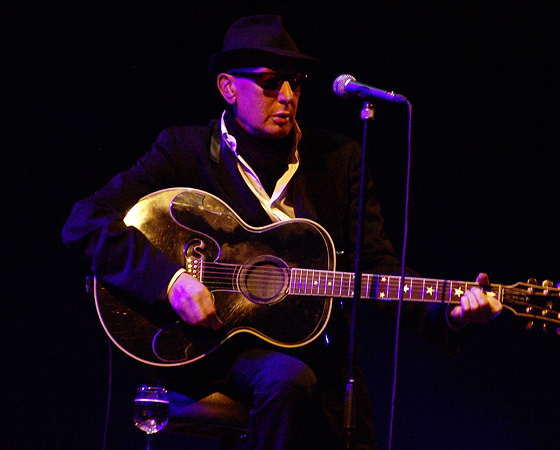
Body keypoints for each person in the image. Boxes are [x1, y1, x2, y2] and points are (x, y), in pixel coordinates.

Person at [62, 15, 502, 450]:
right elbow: (85, 220)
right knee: (286, 379)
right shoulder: (183, 150)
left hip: (316, 355)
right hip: (206, 348)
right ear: (228, 87)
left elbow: (375, 266)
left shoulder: (338, 159)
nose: (288, 96)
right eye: (271, 82)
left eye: (295, 82)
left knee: (324, 389)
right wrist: (171, 281)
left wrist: (449, 313)